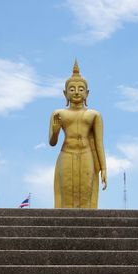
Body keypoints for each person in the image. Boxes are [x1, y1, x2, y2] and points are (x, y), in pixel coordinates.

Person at [49, 60, 107, 208]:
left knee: (86, 195)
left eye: (81, 89)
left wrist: (104, 168)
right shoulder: (58, 113)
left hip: (86, 154)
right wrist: (55, 132)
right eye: (72, 89)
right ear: (65, 93)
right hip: (66, 153)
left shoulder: (94, 115)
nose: (76, 92)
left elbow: (99, 143)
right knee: (66, 196)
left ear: (87, 93)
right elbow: (52, 142)